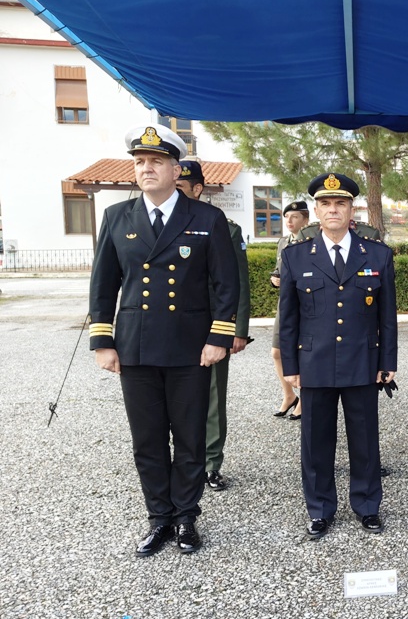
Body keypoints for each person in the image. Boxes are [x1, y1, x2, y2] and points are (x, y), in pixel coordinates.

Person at [89, 124, 239, 556]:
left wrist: (219, 337)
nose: (146, 168)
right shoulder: (117, 217)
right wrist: (103, 340)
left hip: (190, 347)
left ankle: (186, 517)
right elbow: (104, 284)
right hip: (136, 347)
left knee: (190, 438)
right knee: (148, 440)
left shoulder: (206, 218)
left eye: (156, 161)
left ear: (176, 170)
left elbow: (225, 285)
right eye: (140, 162)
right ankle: (159, 518)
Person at [278, 172, 397, 539]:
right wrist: (290, 367)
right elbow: (289, 319)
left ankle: (367, 505)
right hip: (314, 363)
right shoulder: (295, 256)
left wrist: (387, 363)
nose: (333, 209)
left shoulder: (377, 254)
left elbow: (387, 316)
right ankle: (319, 509)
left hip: (362, 361)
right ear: (316, 211)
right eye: (326, 204)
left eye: (340, 203)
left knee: (365, 440)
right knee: (316, 442)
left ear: (351, 210)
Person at [174, 160, 251, 492]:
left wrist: (237, 329)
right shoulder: (156, 225)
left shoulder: (224, 227)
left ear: (197, 189)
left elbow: (238, 282)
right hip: (173, 326)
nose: (174, 193)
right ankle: (180, 461)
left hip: (212, 326)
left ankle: (210, 463)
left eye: (180, 187)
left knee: (212, 398)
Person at [270, 200, 310, 419]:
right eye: (286, 217)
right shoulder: (283, 242)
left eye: (295, 217)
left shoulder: (312, 241)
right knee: (277, 352)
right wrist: (275, 279)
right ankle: (288, 395)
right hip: (285, 304)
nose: (289, 221)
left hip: (306, 303)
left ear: (306, 220)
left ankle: (304, 399)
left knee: (303, 352)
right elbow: (278, 270)